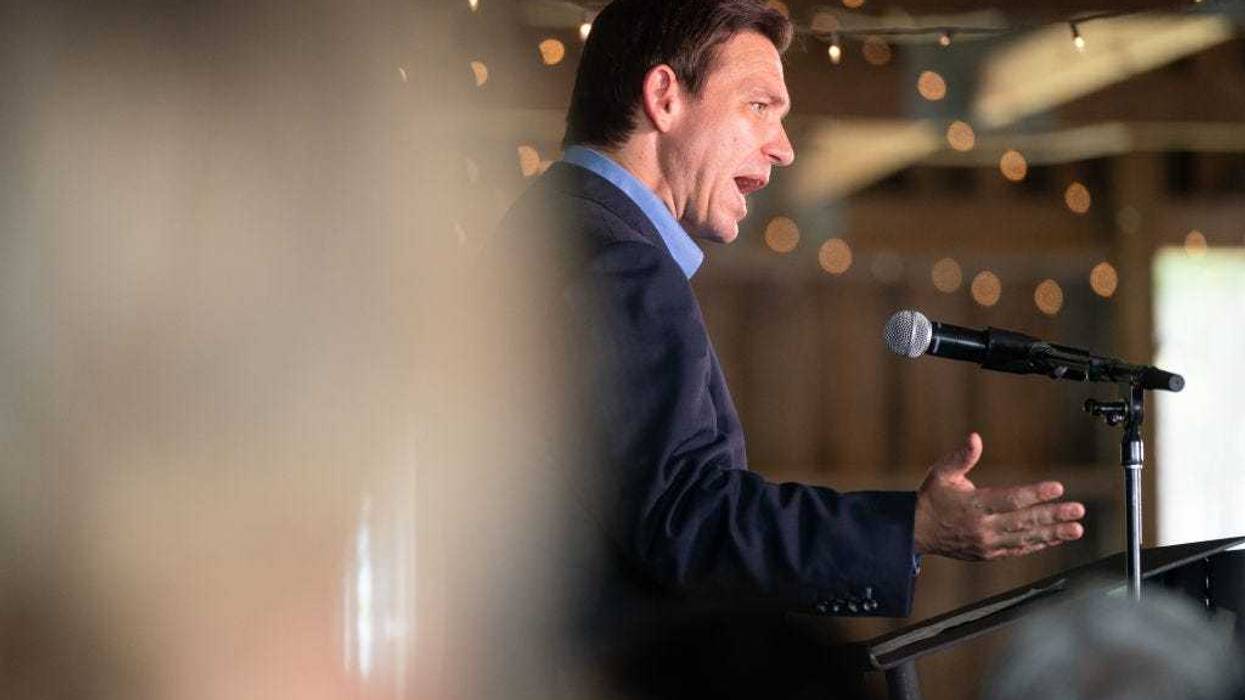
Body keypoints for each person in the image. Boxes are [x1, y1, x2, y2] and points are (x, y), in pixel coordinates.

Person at [493, 0, 1086, 696]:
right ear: (663, 97)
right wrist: (908, 527)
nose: (783, 146)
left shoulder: (553, 229)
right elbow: (689, 522)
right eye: (758, 105)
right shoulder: (618, 261)